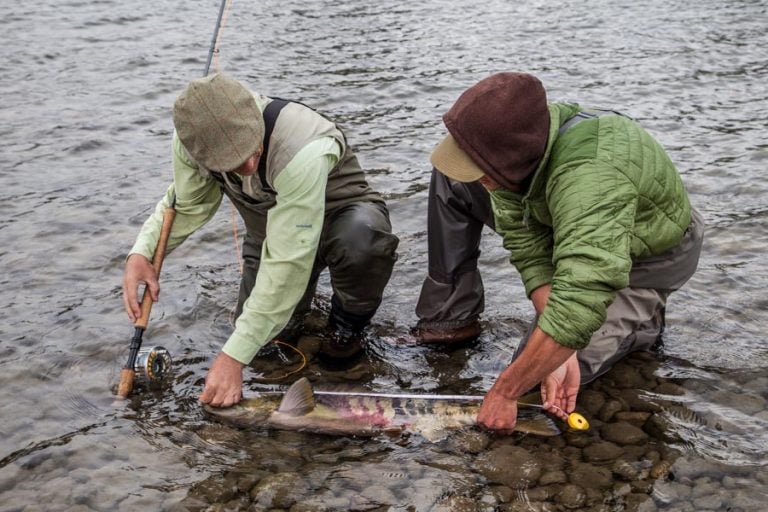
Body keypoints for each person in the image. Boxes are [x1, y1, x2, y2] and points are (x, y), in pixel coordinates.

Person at [416, 71, 703, 430]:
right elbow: (527, 242)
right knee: (453, 177)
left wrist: (506, 391)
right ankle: (451, 318)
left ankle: (642, 320)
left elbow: (578, 303)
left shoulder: (592, 176)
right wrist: (553, 338)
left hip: (646, 258)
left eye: (484, 164)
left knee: (535, 384)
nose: (478, 174)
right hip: (568, 220)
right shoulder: (520, 146)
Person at [122, 73, 399, 408]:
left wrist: (232, 357)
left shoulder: (301, 147)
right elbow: (189, 203)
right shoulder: (192, 144)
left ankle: (347, 327)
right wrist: (142, 253)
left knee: (361, 240)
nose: (250, 164)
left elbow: (289, 261)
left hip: (341, 221)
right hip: (272, 235)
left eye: (252, 148)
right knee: (263, 348)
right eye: (233, 163)